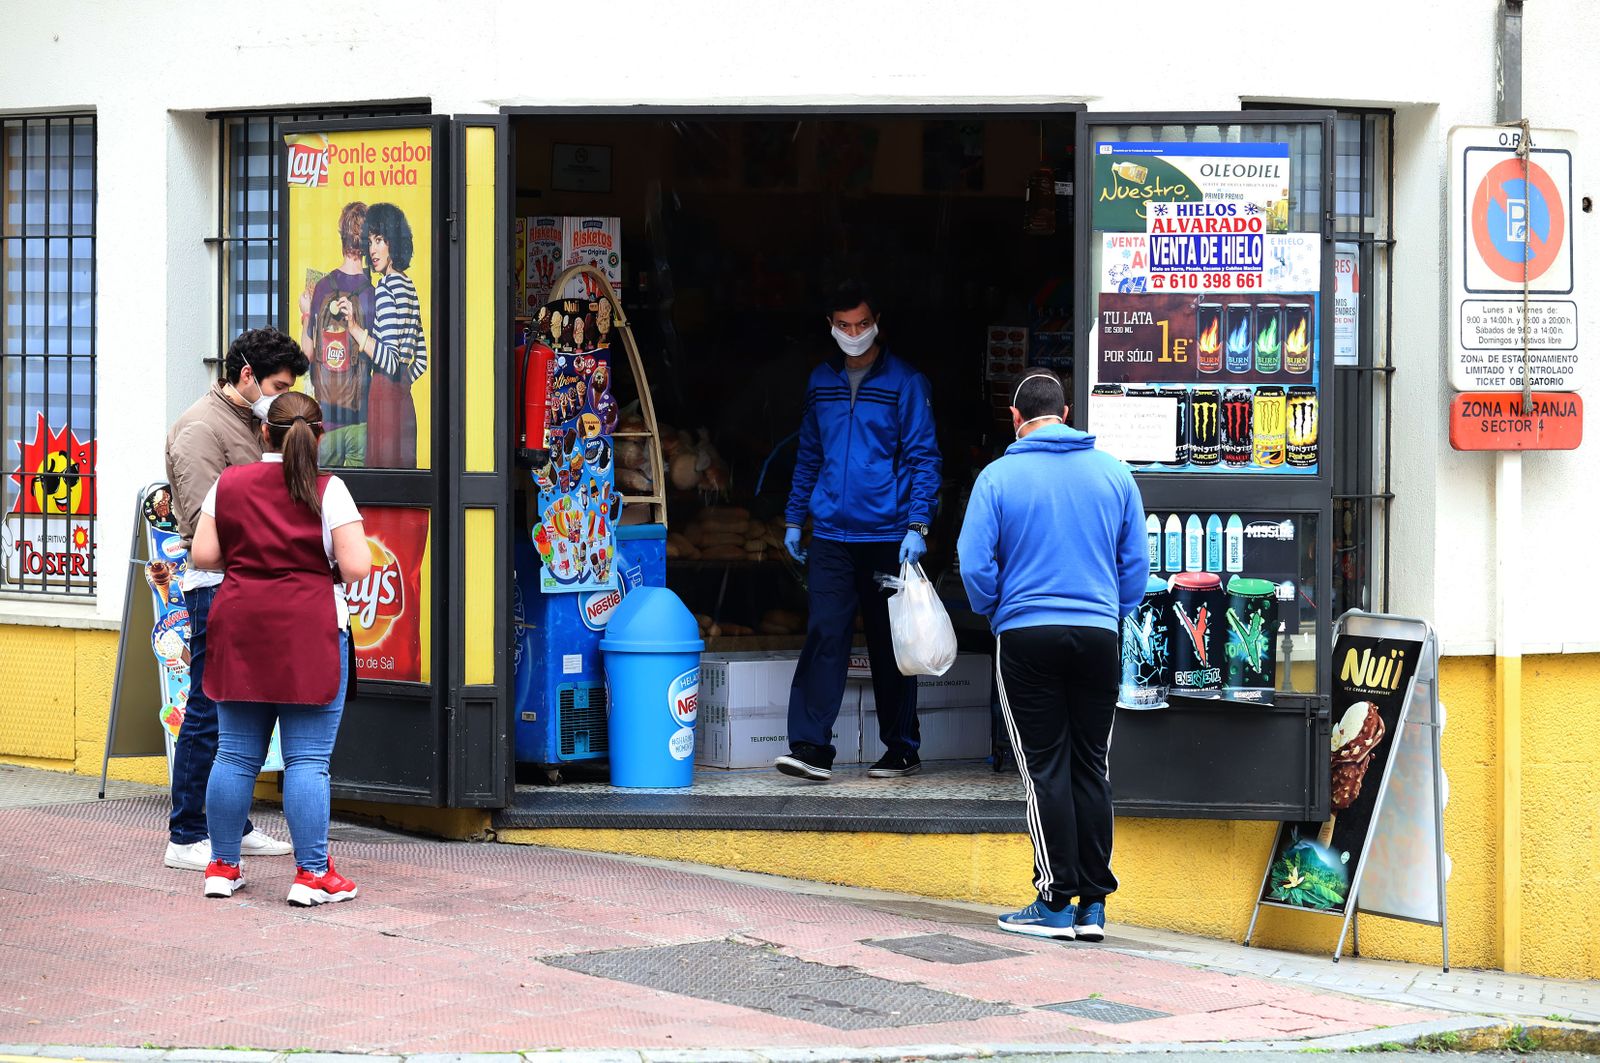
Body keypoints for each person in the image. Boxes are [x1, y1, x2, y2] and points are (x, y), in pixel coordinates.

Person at [956, 370, 1147, 943]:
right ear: (1066, 414)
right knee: (1092, 762)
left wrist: (997, 608)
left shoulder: (997, 477)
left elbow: (973, 564)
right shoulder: (1115, 473)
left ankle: (1055, 900)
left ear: (1016, 419)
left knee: (1045, 765)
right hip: (1097, 636)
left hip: (1026, 635)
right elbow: (1135, 564)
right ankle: (1093, 906)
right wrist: (1109, 610)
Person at [189, 391, 371, 906]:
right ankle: (311, 875)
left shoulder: (229, 484)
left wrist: (252, 566)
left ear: (263, 434)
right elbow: (358, 566)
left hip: (239, 623)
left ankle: (222, 866)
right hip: (309, 628)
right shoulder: (328, 489)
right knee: (308, 761)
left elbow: (204, 553)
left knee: (234, 754)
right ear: (318, 437)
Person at [777, 281, 941, 782]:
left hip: (888, 536)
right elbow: (809, 455)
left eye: (861, 325)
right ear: (831, 327)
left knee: (892, 645)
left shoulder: (905, 382)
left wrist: (918, 523)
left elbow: (923, 458)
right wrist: (793, 517)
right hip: (829, 535)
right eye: (844, 326)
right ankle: (810, 748)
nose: (853, 334)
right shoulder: (819, 383)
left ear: (877, 324)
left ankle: (901, 748)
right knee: (825, 634)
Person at [161, 328, 307, 871]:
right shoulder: (201, 427)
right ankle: (186, 833)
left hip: (252, 582)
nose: (279, 395)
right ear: (246, 375)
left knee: (239, 711)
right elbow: (203, 528)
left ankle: (231, 824)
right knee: (206, 706)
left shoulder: (248, 418)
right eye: (276, 385)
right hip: (218, 585)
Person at [339, 202, 427, 469]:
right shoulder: (408, 286)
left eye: (380, 240)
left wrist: (354, 328)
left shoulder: (387, 288)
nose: (372, 249)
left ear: (394, 243)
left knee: (382, 481)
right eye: (370, 241)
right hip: (403, 400)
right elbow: (421, 360)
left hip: (384, 399)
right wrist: (402, 384)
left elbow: (388, 360)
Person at [299, 200, 375, 436]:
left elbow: (308, 354)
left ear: (341, 237)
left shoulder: (322, 287)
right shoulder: (373, 294)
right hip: (360, 416)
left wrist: (306, 314)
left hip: (324, 416)